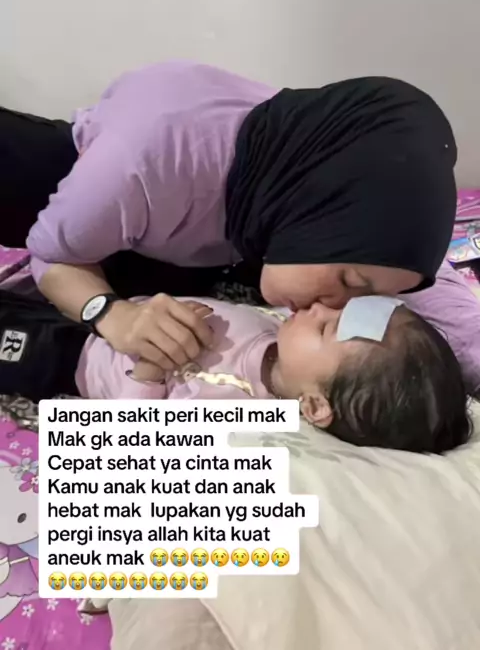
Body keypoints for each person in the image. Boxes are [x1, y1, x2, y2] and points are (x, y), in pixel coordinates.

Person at [1, 62, 457, 378]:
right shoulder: (140, 166)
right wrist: (110, 313)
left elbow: (412, 283)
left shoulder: (307, 170)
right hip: (83, 181)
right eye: (349, 282)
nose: (339, 309)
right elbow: (50, 254)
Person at [0, 289, 470, 455]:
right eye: (340, 308)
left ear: (314, 404)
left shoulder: (235, 417)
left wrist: (150, 370)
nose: (320, 307)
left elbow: (135, 436)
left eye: (326, 328)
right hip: (107, 314)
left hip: (73, 362)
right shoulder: (281, 337)